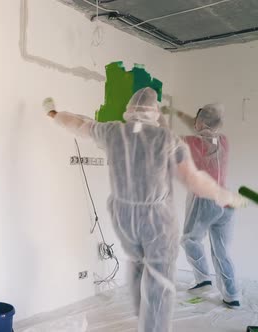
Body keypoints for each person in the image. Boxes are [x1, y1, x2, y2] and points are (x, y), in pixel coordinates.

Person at [44, 88, 247, 332]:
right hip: (155, 218)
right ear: (155, 112)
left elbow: (80, 123)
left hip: (122, 214)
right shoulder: (168, 139)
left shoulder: (112, 131)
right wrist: (223, 195)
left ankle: (146, 312)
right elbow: (194, 181)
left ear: (130, 109)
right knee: (159, 276)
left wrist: (54, 113)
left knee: (138, 262)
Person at [163, 103, 241, 308]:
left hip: (206, 200)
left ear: (201, 122)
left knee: (190, 239)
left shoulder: (192, 142)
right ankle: (232, 296)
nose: (194, 123)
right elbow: (202, 127)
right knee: (221, 250)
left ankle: (203, 279)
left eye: (196, 119)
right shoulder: (222, 140)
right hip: (226, 200)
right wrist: (178, 112)